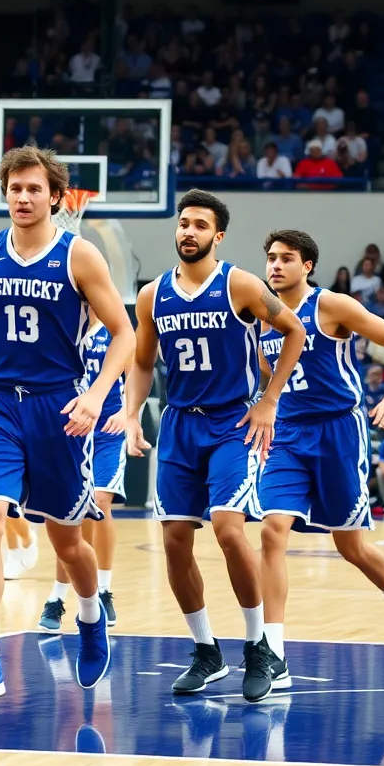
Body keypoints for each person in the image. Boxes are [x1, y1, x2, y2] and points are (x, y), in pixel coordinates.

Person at [0, 146, 134, 702]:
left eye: (35, 189)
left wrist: (98, 395)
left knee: (68, 541)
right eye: (15, 188)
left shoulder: (79, 256)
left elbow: (124, 335)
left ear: (56, 197)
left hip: (60, 406)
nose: (24, 197)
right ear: (4, 193)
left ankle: (88, 615)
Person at [124, 190, 306, 703]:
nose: (188, 232)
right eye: (183, 223)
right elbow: (141, 363)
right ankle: (206, 651)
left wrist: (269, 400)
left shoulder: (241, 285)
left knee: (229, 530)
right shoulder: (152, 294)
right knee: (175, 540)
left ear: (217, 236)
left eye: (200, 225)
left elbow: (293, 331)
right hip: (181, 425)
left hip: (233, 423)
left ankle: (258, 647)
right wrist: (133, 412)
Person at [257, 229, 384, 690]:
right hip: (288, 433)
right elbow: (269, 372)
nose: (275, 266)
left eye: (286, 258)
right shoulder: (261, 315)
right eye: (271, 258)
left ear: (307, 266)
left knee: (349, 546)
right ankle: (274, 653)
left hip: (337, 430)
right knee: (273, 530)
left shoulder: (331, 306)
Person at [38, 308, 125, 633]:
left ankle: (103, 589)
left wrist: (129, 411)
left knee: (99, 503)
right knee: (68, 514)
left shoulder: (116, 328)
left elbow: (139, 372)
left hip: (107, 428)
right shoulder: (60, 322)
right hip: (71, 426)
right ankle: (58, 596)